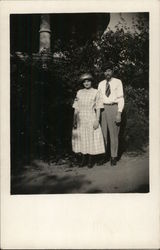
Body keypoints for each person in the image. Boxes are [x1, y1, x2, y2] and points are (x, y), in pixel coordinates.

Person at [72, 73, 105, 168]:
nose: (86, 83)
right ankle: (83, 159)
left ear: (91, 82)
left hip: (91, 117)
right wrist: (74, 120)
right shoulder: (79, 92)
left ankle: (91, 159)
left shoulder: (96, 92)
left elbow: (98, 107)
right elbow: (76, 107)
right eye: (84, 81)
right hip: (80, 118)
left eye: (88, 81)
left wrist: (97, 120)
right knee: (82, 138)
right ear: (82, 83)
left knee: (90, 138)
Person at [98, 67, 124, 166]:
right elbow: (99, 98)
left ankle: (114, 156)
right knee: (103, 133)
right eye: (105, 70)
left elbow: (121, 98)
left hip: (114, 107)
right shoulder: (100, 84)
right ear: (103, 72)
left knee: (113, 134)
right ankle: (104, 156)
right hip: (103, 108)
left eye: (109, 70)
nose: (107, 72)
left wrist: (119, 113)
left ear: (112, 72)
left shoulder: (118, 82)